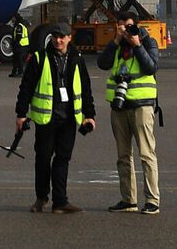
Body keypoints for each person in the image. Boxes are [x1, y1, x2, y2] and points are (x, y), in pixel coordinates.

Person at [14, 24, 95, 213]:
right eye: (55, 37)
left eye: (62, 37)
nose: (58, 41)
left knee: (63, 159)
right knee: (43, 158)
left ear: (69, 38)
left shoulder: (76, 59)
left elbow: (85, 87)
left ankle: (60, 201)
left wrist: (90, 115)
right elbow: (26, 87)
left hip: (69, 118)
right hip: (46, 117)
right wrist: (21, 114)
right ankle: (41, 198)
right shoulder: (39, 58)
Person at [97, 18, 161, 215]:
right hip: (119, 105)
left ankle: (152, 200)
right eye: (122, 26)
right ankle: (128, 199)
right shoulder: (116, 45)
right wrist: (115, 40)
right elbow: (103, 64)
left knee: (146, 154)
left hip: (142, 105)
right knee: (123, 156)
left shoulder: (147, 41)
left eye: (129, 26)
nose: (126, 30)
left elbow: (151, 67)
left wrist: (137, 45)